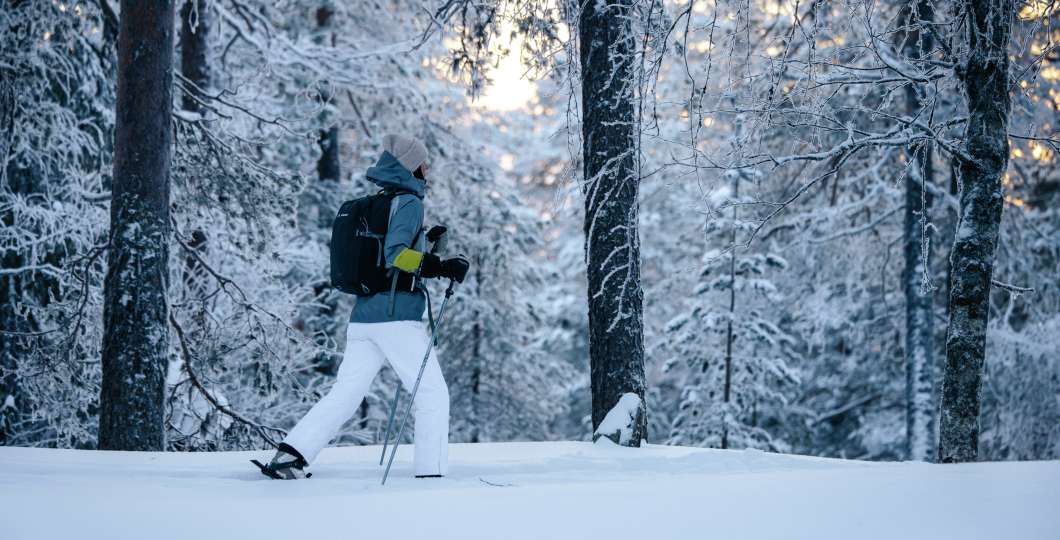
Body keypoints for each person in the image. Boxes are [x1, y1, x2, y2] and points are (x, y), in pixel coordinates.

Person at [263, 134, 469, 479]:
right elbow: (395, 256)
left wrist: (428, 245)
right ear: (410, 167)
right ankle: (431, 475)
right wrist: (442, 266)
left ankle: (290, 455)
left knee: (345, 393)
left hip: (363, 320)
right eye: (424, 162)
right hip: (397, 317)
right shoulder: (408, 202)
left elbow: (385, 256)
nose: (427, 167)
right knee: (432, 393)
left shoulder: (378, 202)